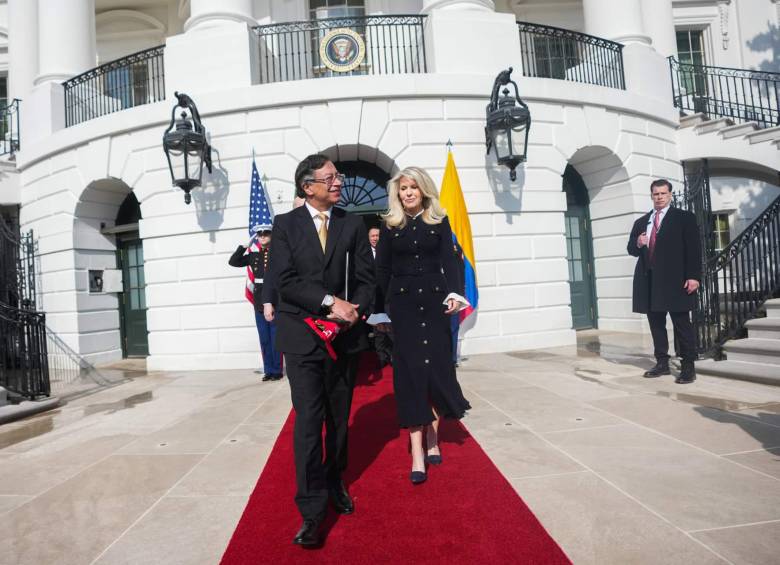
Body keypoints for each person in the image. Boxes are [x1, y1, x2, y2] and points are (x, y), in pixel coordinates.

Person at [269, 154, 375, 546]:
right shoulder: (284, 226)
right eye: (329, 177)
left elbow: (366, 280)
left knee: (340, 421)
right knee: (310, 423)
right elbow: (285, 281)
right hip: (303, 340)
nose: (338, 182)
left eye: (339, 176)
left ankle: (335, 482)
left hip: (344, 339)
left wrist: (355, 310)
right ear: (307, 186)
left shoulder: (352, 222)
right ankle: (312, 512)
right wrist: (332, 303)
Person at [375, 166, 471, 485]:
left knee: (435, 372)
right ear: (397, 193)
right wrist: (379, 312)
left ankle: (433, 438)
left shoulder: (439, 221)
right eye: (403, 188)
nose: (408, 193)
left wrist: (456, 293)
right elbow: (383, 269)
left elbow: (450, 261)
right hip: (403, 308)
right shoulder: (390, 225)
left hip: (435, 304)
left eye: (414, 187)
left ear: (424, 190)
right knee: (411, 374)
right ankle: (417, 451)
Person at [627, 178, 701, 384]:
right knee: (656, 325)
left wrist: (694, 276)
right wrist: (638, 242)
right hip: (649, 281)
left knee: (681, 324)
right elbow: (631, 250)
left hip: (676, 282)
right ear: (651, 196)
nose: (659, 197)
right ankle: (662, 363)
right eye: (655, 194)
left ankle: (688, 366)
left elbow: (693, 249)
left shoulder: (684, 218)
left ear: (669, 195)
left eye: (663, 193)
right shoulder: (641, 222)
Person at [228, 229, 283, 381]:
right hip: (259, 299)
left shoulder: (277, 253)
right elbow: (233, 261)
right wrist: (245, 246)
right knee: (264, 337)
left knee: (275, 336)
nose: (263, 236)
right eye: (260, 234)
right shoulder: (254, 255)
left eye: (266, 233)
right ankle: (269, 370)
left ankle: (277, 370)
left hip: (274, 298)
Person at [367, 226, 393, 368]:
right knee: (378, 330)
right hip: (374, 297)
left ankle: (392, 355)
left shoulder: (388, 251)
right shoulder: (364, 254)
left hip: (389, 294)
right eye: (373, 236)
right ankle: (381, 357)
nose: (375, 238)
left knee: (391, 327)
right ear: (369, 238)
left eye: (378, 235)